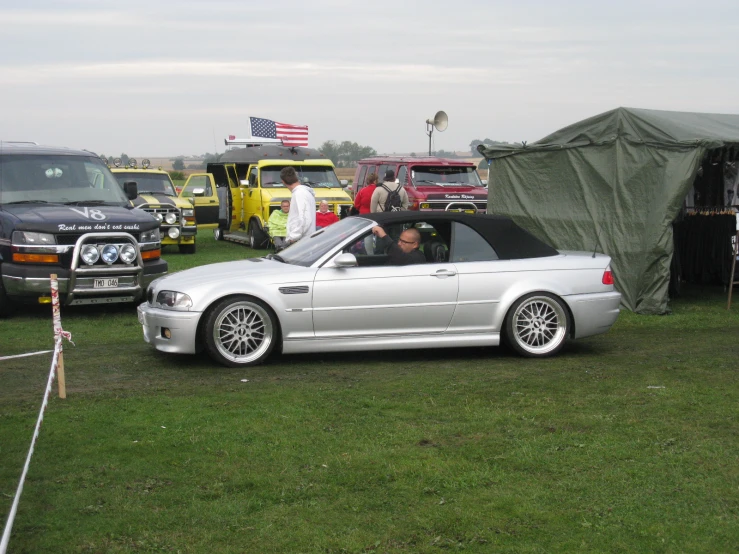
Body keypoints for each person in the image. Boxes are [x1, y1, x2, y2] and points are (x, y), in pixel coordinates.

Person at [281, 166, 316, 245]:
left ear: (283, 181)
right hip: (304, 239)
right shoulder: (303, 192)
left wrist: (293, 237)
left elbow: (304, 218)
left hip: (301, 241)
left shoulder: (300, 194)